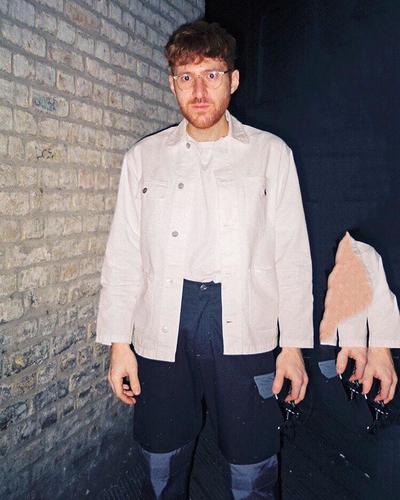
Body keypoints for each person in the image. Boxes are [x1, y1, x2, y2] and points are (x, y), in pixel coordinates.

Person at [96, 20, 313, 499]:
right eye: (186, 77)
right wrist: (118, 343)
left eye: (211, 75)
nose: (198, 91)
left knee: (252, 456)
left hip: (246, 319)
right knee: (160, 451)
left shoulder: (271, 155)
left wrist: (293, 346)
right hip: (162, 321)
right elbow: (123, 255)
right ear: (172, 83)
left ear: (233, 80)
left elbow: (293, 256)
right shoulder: (143, 158)